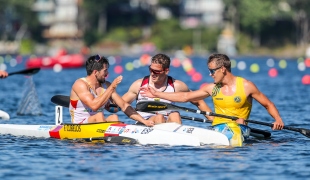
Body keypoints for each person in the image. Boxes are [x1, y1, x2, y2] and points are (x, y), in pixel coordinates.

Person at [140, 53, 284, 130]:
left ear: (222, 69)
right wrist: (157, 94)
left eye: (212, 71)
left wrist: (277, 120)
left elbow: (268, 104)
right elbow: (185, 96)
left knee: (240, 120)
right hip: (218, 128)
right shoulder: (212, 88)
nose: (210, 74)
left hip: (240, 127)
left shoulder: (246, 86)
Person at [122, 53, 212, 125]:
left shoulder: (177, 86)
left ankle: (174, 145)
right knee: (159, 117)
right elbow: (121, 104)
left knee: (175, 115)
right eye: (150, 70)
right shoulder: (139, 85)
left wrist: (215, 122)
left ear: (166, 71)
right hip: (143, 123)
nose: (152, 74)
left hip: (166, 122)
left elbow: (198, 101)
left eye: (156, 71)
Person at [69, 54, 154, 126]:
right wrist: (112, 87)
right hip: (79, 125)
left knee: (114, 117)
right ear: (95, 72)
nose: (107, 74)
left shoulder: (106, 85)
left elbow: (123, 106)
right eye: (105, 71)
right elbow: (94, 106)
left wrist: (144, 121)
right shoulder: (80, 84)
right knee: (99, 115)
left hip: (97, 123)